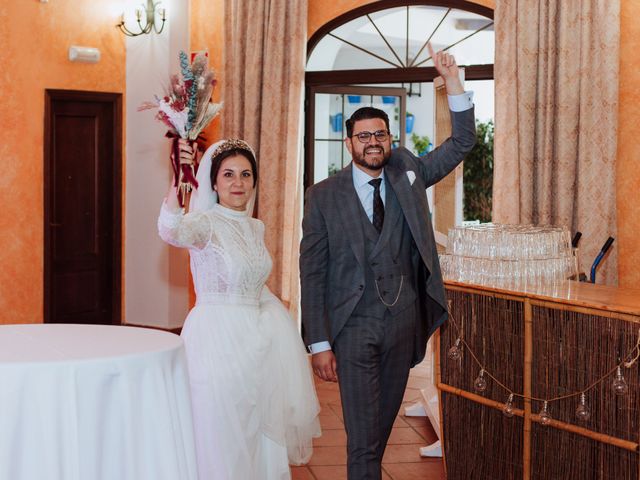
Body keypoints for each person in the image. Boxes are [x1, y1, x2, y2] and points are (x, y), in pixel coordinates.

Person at [299, 44, 476, 479]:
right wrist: (319, 343)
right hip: (353, 326)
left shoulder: (408, 172)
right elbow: (313, 271)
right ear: (349, 142)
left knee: (379, 430)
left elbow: (462, 142)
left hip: (402, 323)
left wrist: (453, 83)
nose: (373, 142)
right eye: (364, 136)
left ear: (389, 140)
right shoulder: (323, 196)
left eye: (380, 135)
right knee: (361, 438)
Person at [158, 138, 321, 480]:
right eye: (228, 175)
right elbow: (171, 230)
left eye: (246, 175)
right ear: (214, 182)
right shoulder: (204, 223)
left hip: (256, 344)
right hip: (215, 341)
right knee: (220, 431)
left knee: (256, 430)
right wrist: (178, 181)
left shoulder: (255, 226)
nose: (238, 183)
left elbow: (254, 283)